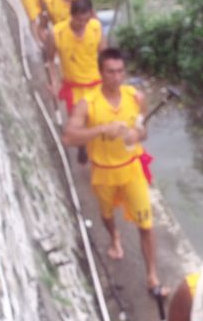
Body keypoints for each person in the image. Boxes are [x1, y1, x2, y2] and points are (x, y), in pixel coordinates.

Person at [61, 47, 167, 296]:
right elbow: (69, 137)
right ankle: (114, 237)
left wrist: (137, 135)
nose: (116, 77)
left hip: (131, 170)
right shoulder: (88, 104)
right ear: (100, 72)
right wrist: (101, 129)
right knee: (107, 214)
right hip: (103, 172)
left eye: (120, 71)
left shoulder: (135, 97)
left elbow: (143, 130)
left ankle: (152, 276)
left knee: (146, 224)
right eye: (110, 72)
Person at [46, 0, 106, 161]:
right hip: (74, 87)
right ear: (71, 15)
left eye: (86, 20)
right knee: (78, 123)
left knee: (99, 119)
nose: (83, 24)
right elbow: (50, 60)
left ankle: (99, 151)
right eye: (79, 20)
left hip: (96, 83)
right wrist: (54, 81)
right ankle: (82, 146)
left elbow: (104, 55)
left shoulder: (95, 28)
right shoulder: (57, 33)